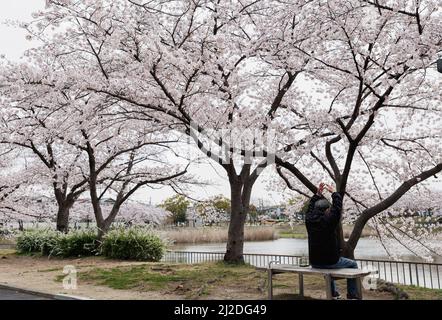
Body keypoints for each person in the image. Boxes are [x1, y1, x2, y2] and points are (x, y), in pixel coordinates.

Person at [305, 182, 360, 300]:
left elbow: (309, 209)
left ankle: (334, 293)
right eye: (329, 209)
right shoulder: (329, 221)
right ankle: (351, 295)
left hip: (314, 262)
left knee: (327, 269)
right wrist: (334, 193)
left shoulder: (309, 220)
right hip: (330, 261)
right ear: (326, 210)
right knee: (353, 264)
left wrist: (317, 194)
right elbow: (337, 208)